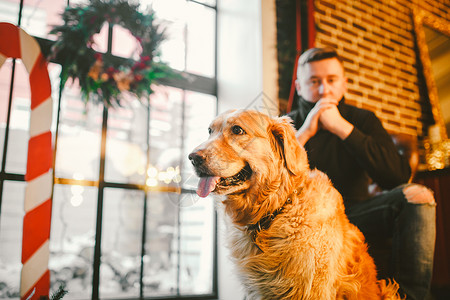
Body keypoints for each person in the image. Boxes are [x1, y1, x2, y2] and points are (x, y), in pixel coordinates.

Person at [287, 47, 436, 300]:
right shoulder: (285, 126)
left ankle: (409, 297)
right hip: (302, 223)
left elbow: (397, 177)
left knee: (418, 196)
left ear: (344, 83)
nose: (324, 90)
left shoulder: (363, 119)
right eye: (314, 81)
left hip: (356, 215)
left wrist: (343, 128)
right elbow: (268, 179)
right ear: (299, 87)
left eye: (332, 80)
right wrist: (305, 132)